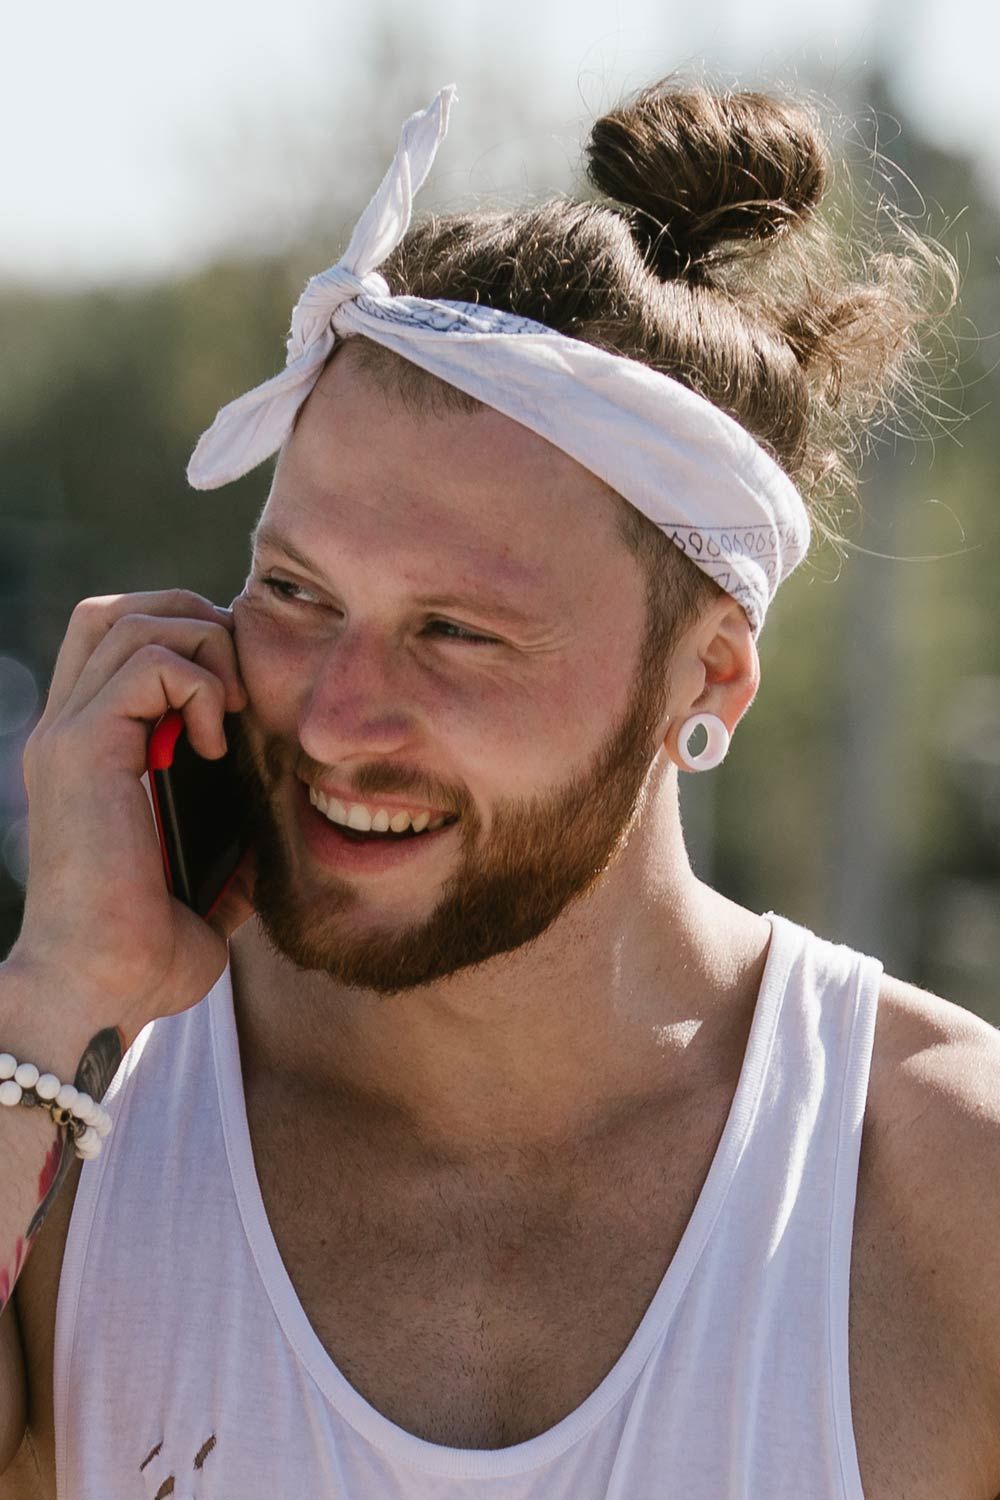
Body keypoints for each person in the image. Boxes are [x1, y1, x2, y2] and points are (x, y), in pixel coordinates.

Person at [0, 76, 997, 1500]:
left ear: (707, 679)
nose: (337, 718)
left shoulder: (939, 1182)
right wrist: (49, 998)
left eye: (456, 632)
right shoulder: (72, 1132)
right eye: (293, 591)